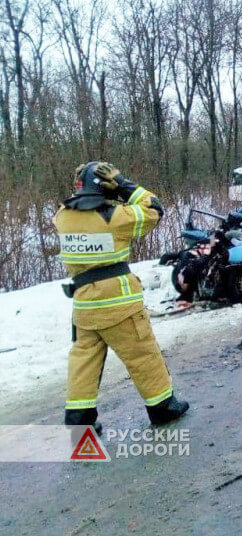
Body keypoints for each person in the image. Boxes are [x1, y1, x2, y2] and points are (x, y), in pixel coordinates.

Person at [55, 161, 189, 431]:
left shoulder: (62, 216)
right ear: (105, 186)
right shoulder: (114, 217)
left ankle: (79, 420)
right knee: (142, 354)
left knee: (84, 361)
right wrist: (125, 185)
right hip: (119, 304)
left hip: (83, 303)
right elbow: (154, 209)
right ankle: (162, 407)